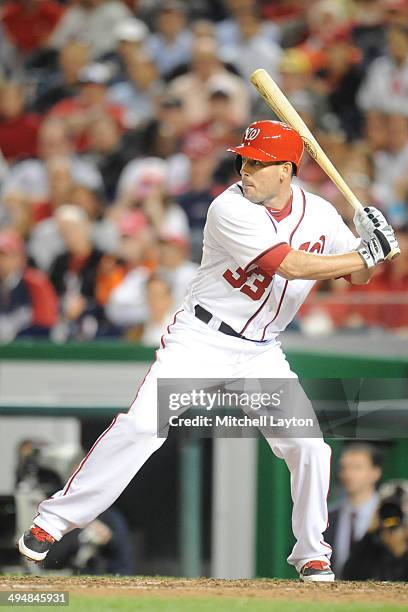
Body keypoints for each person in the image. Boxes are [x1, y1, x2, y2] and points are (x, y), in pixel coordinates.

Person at [18, 120, 400, 581]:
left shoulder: (319, 214)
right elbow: (293, 267)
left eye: (258, 163)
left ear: (286, 169)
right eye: (243, 159)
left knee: (311, 447)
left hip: (260, 351)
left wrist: (371, 245)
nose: (246, 169)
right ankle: (53, 521)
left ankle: (312, 554)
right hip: (201, 340)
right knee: (142, 428)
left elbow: (357, 277)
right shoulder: (228, 208)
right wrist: (368, 253)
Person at [324, 443, 383, 577]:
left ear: (375, 472)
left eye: (357, 468)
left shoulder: (387, 514)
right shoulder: (328, 517)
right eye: (344, 468)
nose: (348, 474)